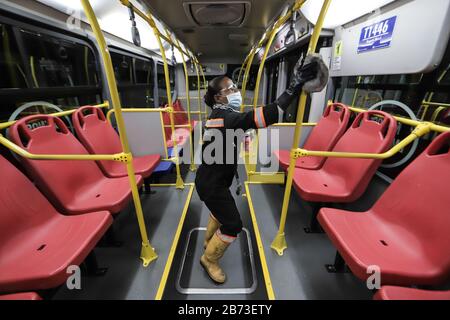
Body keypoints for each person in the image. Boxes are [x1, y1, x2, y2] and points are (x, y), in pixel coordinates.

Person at [195, 54, 329, 284]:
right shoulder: (224, 117)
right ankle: (209, 259)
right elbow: (270, 114)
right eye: (231, 90)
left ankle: (209, 240)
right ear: (219, 97)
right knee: (234, 224)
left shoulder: (221, 115)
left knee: (220, 211)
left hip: (214, 180)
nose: (236, 92)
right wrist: (294, 87)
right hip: (212, 184)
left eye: (236, 87)